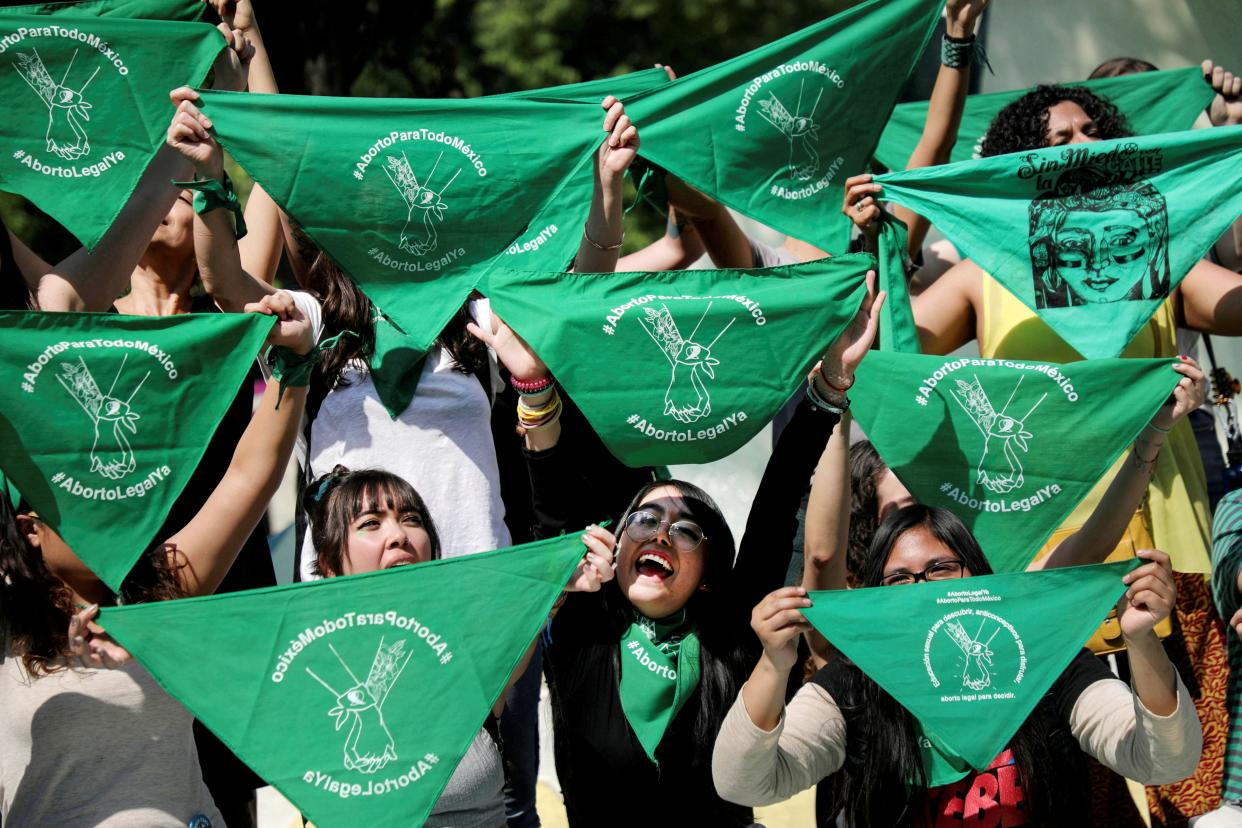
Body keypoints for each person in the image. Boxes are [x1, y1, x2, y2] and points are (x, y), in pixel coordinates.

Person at [842, 76, 1241, 820]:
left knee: (1194, 785)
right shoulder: (981, 276)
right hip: (1043, 558)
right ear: (1020, 163)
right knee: (1080, 789)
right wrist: (874, 237)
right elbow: (875, 348)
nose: (1079, 145)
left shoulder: (1153, 252)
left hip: (1167, 542)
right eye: (1057, 139)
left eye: (1093, 132)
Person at [465, 239, 885, 822]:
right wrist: (535, 387)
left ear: (709, 576)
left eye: (687, 530)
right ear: (616, 546)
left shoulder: (733, 634)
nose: (661, 534)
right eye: (644, 519)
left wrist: (831, 386)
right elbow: (554, 515)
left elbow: (779, 496)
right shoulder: (588, 627)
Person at [0, 291, 313, 827]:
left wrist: (294, 362)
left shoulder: (164, 591)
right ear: (29, 530)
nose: (104, 499)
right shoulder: (9, 628)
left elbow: (247, 478)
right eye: (78, 496)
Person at [714, 504, 1201, 827]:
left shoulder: (1047, 666)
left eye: (942, 569)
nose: (924, 588)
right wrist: (775, 664)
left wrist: (1141, 643)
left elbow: (1164, 760)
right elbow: (744, 783)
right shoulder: (851, 686)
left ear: (980, 575)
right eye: (899, 579)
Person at [300, 464, 615, 827]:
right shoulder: (302, 674)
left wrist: (563, 575)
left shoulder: (467, 651)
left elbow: (542, 593)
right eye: (371, 523)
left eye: (411, 519)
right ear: (329, 565)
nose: (399, 535)